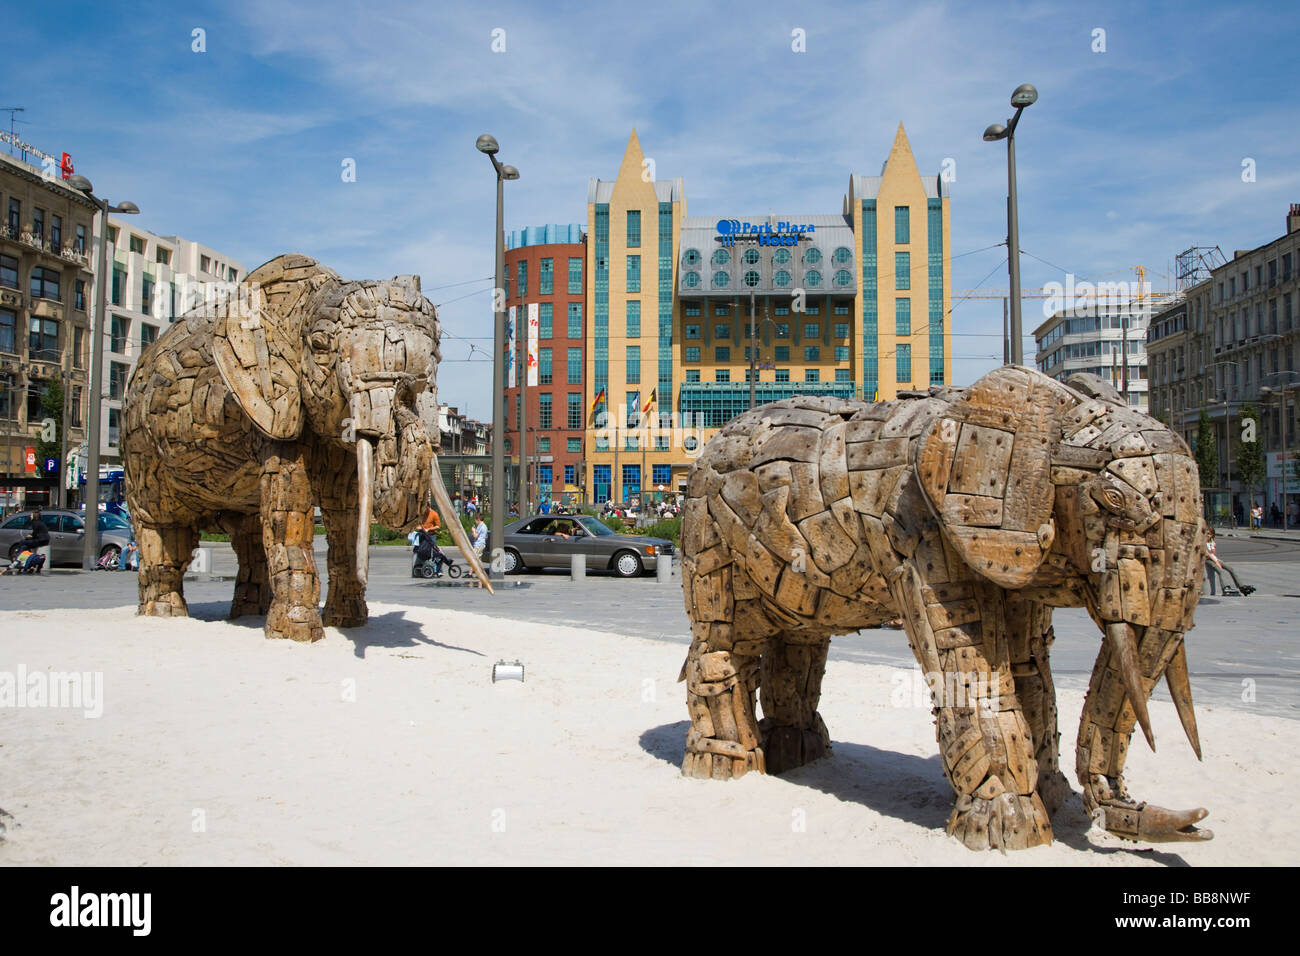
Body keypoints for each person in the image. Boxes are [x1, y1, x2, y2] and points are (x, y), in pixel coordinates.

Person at [1204, 527, 1254, 596]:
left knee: (1230, 568)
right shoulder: (1202, 542)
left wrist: (1213, 546)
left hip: (1215, 559)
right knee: (1221, 571)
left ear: (1212, 535)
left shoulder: (1211, 542)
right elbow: (1207, 554)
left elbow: (1213, 553)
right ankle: (1225, 588)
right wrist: (1216, 562)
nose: (1207, 535)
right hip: (1208, 560)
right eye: (1206, 534)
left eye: (1209, 534)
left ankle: (1241, 586)